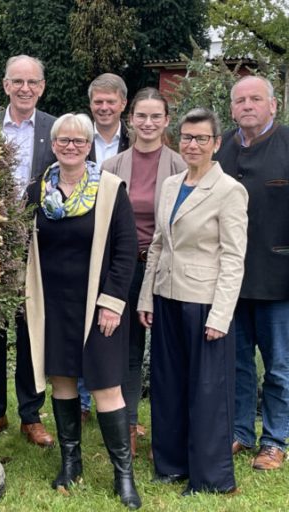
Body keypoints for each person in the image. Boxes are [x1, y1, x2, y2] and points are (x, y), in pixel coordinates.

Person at [25, 113, 140, 508]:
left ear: (90, 145)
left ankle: (123, 475)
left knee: (107, 387)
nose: (70, 146)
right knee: (63, 382)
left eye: (79, 140)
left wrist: (112, 302)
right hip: (52, 305)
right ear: (53, 144)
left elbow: (126, 252)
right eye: (63, 140)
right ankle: (70, 462)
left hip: (97, 304)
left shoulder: (110, 190)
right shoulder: (36, 191)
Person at [138, 108, 247, 494]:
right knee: (168, 385)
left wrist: (221, 314)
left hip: (204, 304)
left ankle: (212, 478)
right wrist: (146, 296)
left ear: (217, 143)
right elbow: (157, 244)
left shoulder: (230, 191)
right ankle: (170, 464)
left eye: (202, 138)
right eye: (187, 137)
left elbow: (234, 259)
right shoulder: (170, 185)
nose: (193, 144)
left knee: (207, 391)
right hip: (167, 297)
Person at [0, 55, 55, 446]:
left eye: (32, 82)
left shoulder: (55, 130)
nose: (25, 89)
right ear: (5, 85)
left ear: (42, 87)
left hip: (38, 244)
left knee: (30, 329)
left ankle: (30, 413)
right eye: (17, 81)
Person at [102, 87, 186, 457]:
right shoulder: (112, 167)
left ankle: (168, 432)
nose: (148, 123)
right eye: (141, 116)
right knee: (130, 353)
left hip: (168, 271)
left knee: (169, 352)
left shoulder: (182, 167)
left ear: (167, 121)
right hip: (126, 270)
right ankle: (131, 424)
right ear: (130, 119)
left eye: (156, 116)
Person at [217, 75, 289, 470]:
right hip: (231, 281)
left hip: (278, 279)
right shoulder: (221, 148)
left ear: (273, 105)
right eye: (240, 100)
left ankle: (274, 440)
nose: (247, 105)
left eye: (255, 99)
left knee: (279, 366)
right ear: (231, 109)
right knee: (237, 361)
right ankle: (241, 432)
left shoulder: (287, 143)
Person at [78, 72, 131, 421]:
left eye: (111, 101)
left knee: (120, 332)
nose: (104, 107)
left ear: (123, 104)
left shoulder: (137, 138)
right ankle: (82, 403)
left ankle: (120, 406)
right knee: (84, 327)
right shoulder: (80, 137)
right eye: (98, 101)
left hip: (122, 241)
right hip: (86, 245)